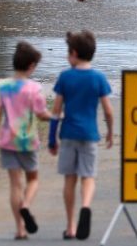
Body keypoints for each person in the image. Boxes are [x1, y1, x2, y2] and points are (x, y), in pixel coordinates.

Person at [48, 30, 114, 241]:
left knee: (70, 179)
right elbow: (108, 111)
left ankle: (71, 227)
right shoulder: (98, 78)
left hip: (68, 135)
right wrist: (110, 133)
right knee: (88, 176)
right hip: (90, 135)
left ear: (74, 53)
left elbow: (56, 111)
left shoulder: (66, 77)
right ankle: (86, 206)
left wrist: (52, 138)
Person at [0, 41, 54, 241]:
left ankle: (20, 229)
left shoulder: (2, 86)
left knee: (15, 185)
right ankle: (26, 205)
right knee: (33, 179)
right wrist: (55, 117)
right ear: (31, 66)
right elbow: (41, 114)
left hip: (7, 141)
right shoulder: (34, 88)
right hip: (28, 142)